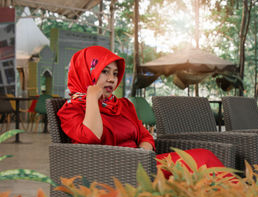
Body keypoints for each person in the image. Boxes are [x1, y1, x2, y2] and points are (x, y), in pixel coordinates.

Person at [57, 46, 233, 180]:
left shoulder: (124, 105)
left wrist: (143, 152)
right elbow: (91, 137)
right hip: (113, 173)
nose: (112, 79)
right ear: (85, 72)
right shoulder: (71, 109)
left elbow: (145, 135)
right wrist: (92, 99)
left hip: (142, 165)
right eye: (104, 71)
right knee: (202, 160)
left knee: (204, 158)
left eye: (115, 73)